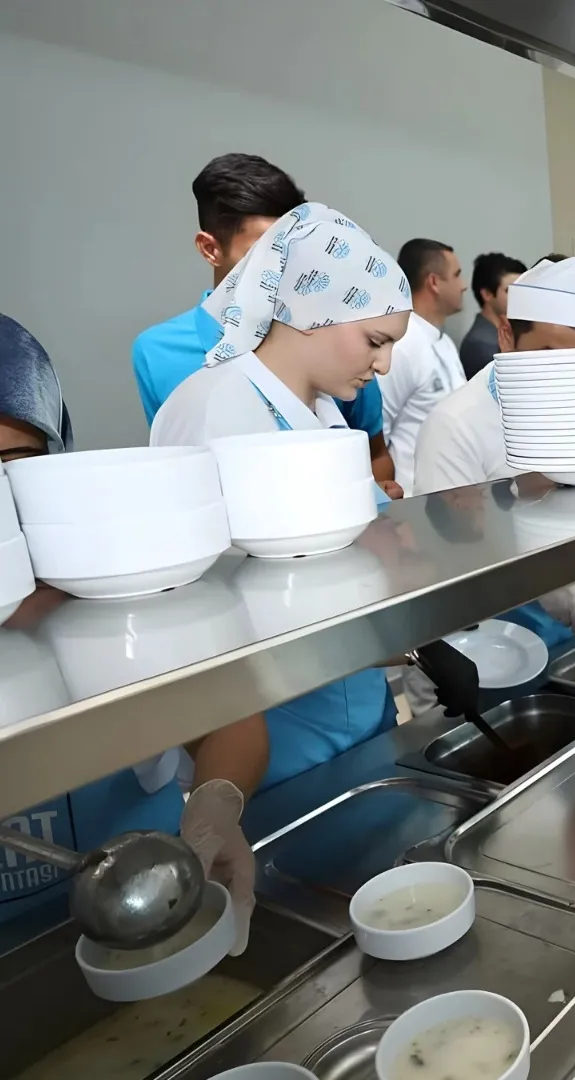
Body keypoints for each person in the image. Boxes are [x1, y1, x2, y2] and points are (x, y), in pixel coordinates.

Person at [3, 313, 261, 952]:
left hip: (155, 905)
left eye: (12, 462)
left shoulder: (109, 580)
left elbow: (228, 719)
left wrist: (213, 815)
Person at [153, 203, 413, 796]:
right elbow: (204, 606)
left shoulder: (321, 410)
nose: (384, 364)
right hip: (276, 742)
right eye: (376, 341)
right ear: (315, 312)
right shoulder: (216, 407)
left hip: (356, 716)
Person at [131, 153, 397, 494]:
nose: (284, 268)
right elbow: (180, 477)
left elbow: (375, 454)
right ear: (210, 249)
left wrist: (372, 498)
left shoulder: (331, 338)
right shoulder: (158, 353)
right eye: (265, 252)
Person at [413, 256, 575, 651]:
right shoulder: (456, 424)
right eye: (547, 355)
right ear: (506, 336)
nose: (565, 377)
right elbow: (447, 558)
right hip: (512, 643)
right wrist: (534, 576)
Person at [378, 238, 468, 495]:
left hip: (452, 495)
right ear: (434, 282)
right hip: (414, 498)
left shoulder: (445, 342)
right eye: (457, 275)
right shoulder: (403, 345)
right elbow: (377, 435)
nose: (464, 285)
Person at [460, 252, 526, 379]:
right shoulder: (481, 344)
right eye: (510, 291)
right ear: (487, 294)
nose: (520, 297)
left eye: (522, 290)